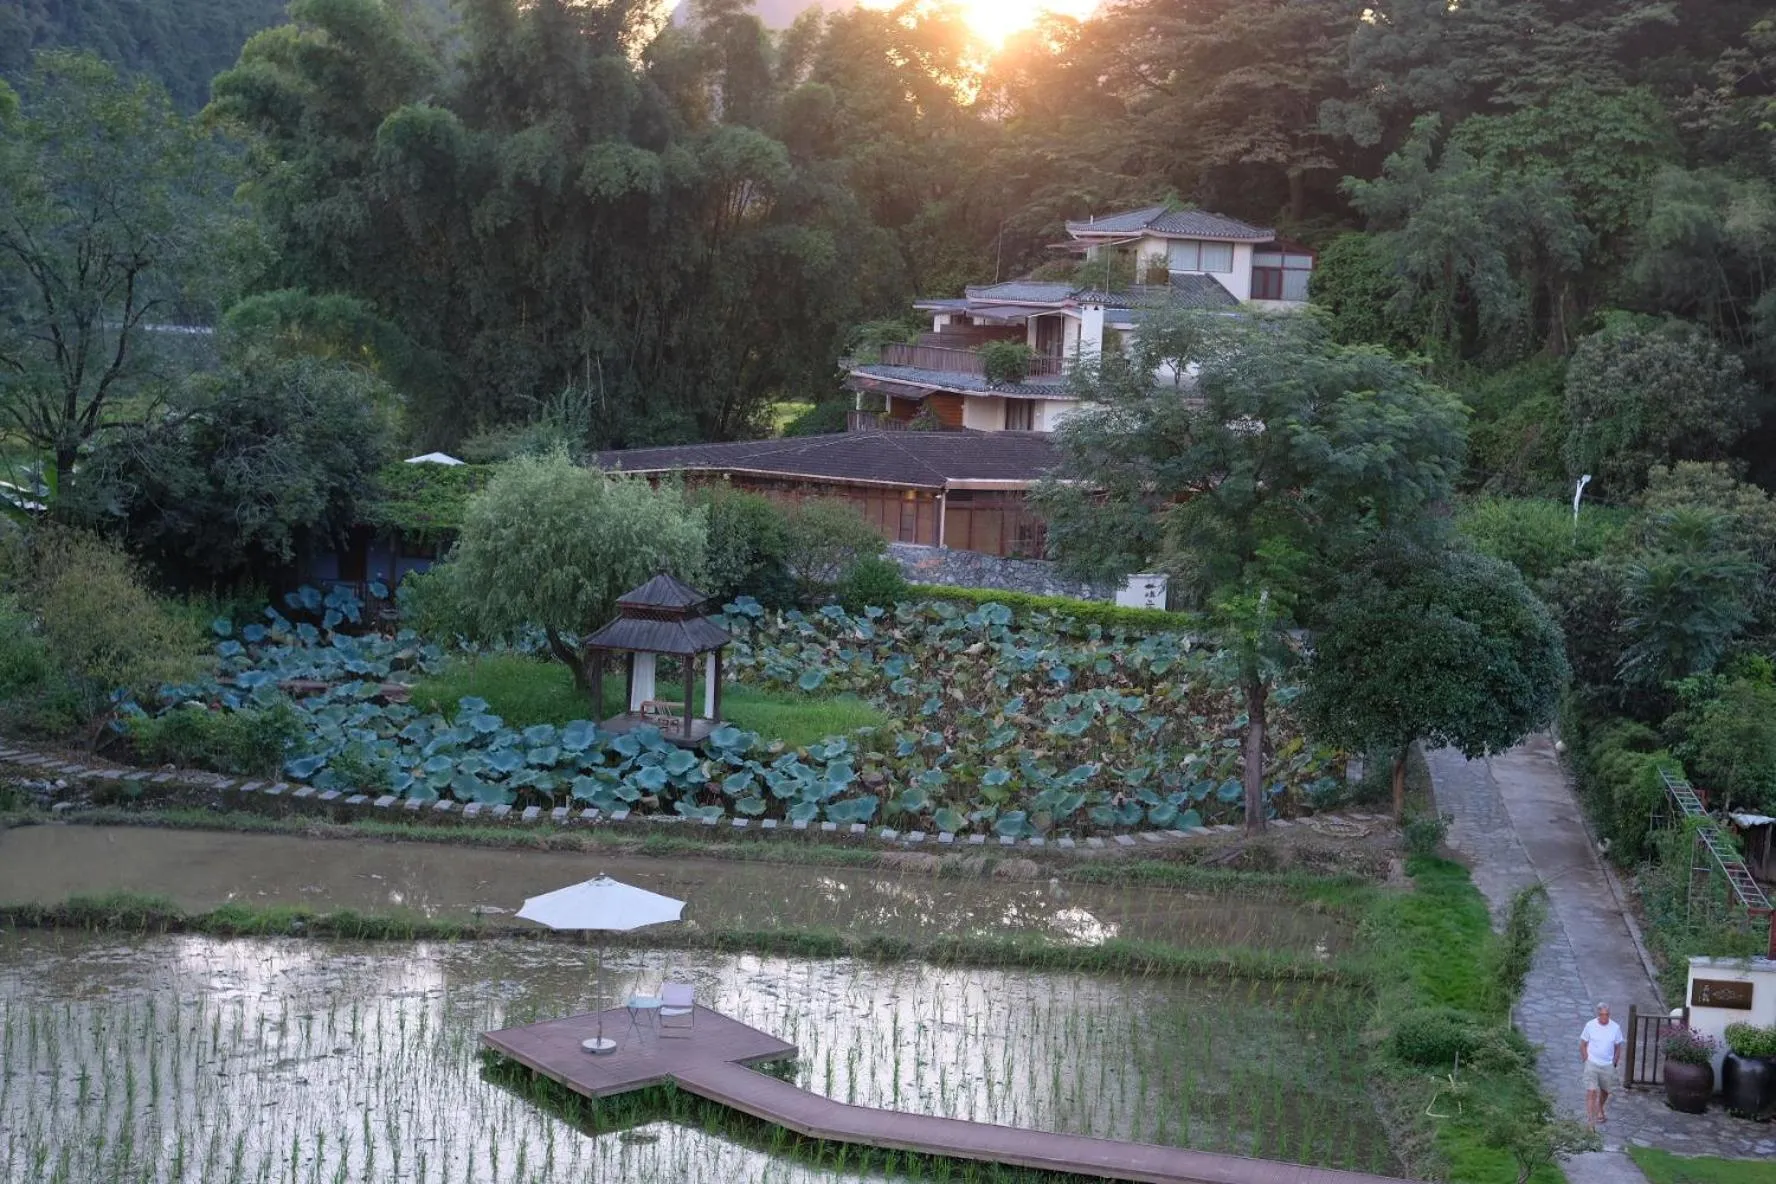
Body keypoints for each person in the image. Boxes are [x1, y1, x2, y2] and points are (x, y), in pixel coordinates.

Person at [1580, 1001, 1625, 1126]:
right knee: (1591, 1090)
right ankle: (1590, 1119)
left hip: (1607, 1064)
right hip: (1592, 1063)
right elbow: (1583, 1044)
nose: (1605, 1017)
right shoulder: (1590, 1025)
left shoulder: (1615, 1028)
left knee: (1605, 1091)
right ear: (1598, 1014)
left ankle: (1599, 1107)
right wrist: (1586, 1059)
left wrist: (1614, 1062)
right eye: (1602, 1015)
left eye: (1607, 1014)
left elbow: (1618, 1047)